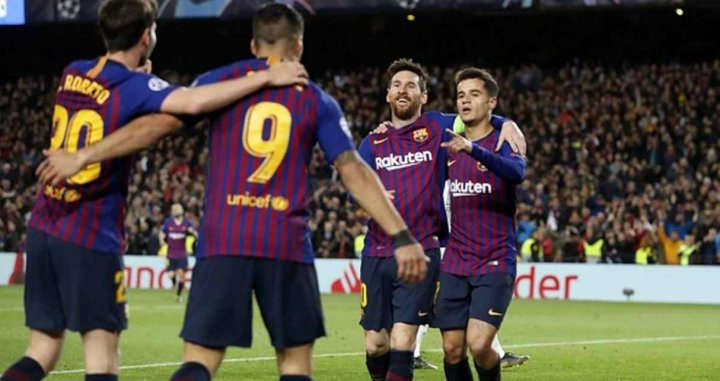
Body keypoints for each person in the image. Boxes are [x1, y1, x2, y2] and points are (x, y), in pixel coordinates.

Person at [37, 4, 428, 380]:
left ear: (254, 46)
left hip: (224, 239)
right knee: (294, 365)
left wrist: (85, 155)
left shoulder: (216, 84)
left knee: (199, 362)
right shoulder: (315, 99)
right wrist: (401, 235)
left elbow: (156, 127)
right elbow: (352, 169)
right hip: (285, 243)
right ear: (298, 46)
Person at [5, 0, 309, 380]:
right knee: (101, 356)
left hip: (45, 225)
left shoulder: (73, 72)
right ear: (146, 36)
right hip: (90, 232)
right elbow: (195, 101)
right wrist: (265, 77)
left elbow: (109, 98)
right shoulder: (136, 86)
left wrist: (140, 79)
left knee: (42, 348)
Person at [358, 59, 525, 381]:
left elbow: (482, 121)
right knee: (385, 345)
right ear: (388, 95)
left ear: (424, 96)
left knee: (414, 340)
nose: (402, 90)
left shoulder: (441, 130)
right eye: (396, 85)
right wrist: (369, 198)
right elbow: (354, 183)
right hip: (390, 253)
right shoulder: (375, 141)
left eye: (411, 85)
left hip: (431, 251)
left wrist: (508, 123)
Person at [435, 67, 527, 381]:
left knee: (479, 343)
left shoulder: (503, 139)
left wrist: (474, 149)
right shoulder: (447, 143)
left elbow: (516, 173)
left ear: (491, 102)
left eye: (474, 94)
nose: (465, 100)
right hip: (456, 261)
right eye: (461, 95)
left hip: (494, 260)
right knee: (451, 348)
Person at [159, 203, 197, 301]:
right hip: (170, 254)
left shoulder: (186, 223)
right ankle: (174, 284)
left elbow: (192, 231)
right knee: (171, 274)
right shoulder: (168, 223)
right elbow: (162, 232)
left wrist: (195, 234)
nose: (176, 211)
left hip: (181, 254)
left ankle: (178, 296)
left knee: (181, 274)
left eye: (178, 209)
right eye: (174, 209)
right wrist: (162, 240)